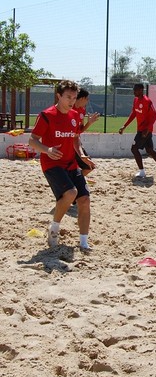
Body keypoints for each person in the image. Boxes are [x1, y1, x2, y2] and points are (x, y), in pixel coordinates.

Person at [28, 80, 93, 251]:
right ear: (59, 96)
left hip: (71, 163)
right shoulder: (47, 115)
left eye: (74, 97)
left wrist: (82, 156)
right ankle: (54, 227)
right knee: (71, 193)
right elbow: (32, 141)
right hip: (51, 163)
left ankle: (84, 242)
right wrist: (47, 149)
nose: (71, 101)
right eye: (68, 97)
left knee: (85, 200)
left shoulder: (73, 116)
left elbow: (75, 138)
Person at [118, 83, 156, 177]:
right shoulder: (136, 100)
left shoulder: (147, 101)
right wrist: (124, 126)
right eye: (134, 90)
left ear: (141, 90)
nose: (134, 92)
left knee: (134, 149)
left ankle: (142, 172)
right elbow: (133, 114)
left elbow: (155, 116)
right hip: (141, 130)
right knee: (149, 150)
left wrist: (147, 129)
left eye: (136, 90)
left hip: (144, 131)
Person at [73, 88, 99, 177]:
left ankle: (75, 182)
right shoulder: (69, 109)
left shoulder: (82, 110)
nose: (87, 101)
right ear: (81, 98)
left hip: (76, 142)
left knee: (90, 166)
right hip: (67, 143)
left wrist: (90, 122)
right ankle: (74, 183)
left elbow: (80, 130)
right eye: (87, 99)